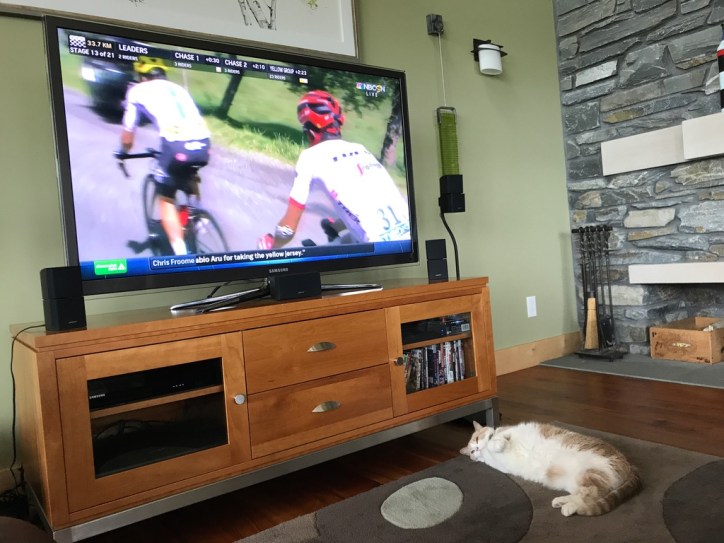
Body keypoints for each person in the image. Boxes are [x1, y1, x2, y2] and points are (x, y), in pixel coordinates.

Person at [258, 90, 410, 249]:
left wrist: (272, 247)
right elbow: (373, 201)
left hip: (382, 252)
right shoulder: (361, 149)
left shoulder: (310, 158)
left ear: (310, 130)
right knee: (346, 240)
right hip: (410, 240)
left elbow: (287, 230)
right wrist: (339, 225)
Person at [119, 56, 211, 256]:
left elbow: (128, 133)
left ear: (142, 76)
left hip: (176, 145)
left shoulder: (136, 91)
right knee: (190, 170)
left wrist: (123, 153)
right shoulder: (179, 89)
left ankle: (181, 256)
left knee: (166, 199)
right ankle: (198, 212)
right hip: (204, 143)